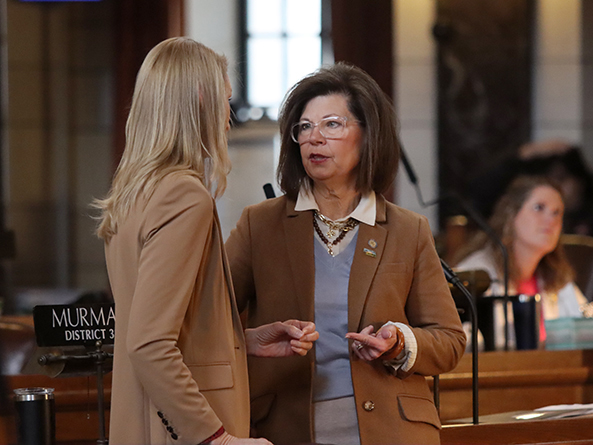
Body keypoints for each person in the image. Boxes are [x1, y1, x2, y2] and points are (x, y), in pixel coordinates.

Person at [225, 63, 466, 445]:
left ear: (368, 135)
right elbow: (209, 321)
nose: (314, 138)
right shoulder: (260, 224)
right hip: (285, 429)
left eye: (332, 124)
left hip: (393, 430)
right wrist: (251, 339)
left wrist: (398, 342)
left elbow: (450, 340)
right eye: (304, 127)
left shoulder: (408, 229)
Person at [94, 37, 318, 445]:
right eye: (225, 100)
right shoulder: (184, 194)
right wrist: (216, 439)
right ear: (201, 97)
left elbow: (159, 326)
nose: (228, 118)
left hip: (144, 419)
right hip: (179, 430)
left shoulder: (135, 192)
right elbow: (149, 344)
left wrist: (243, 340)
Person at [455, 175, 588, 350]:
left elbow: (584, 324)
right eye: (539, 208)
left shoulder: (558, 278)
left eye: (557, 213)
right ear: (511, 215)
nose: (551, 220)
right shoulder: (476, 273)